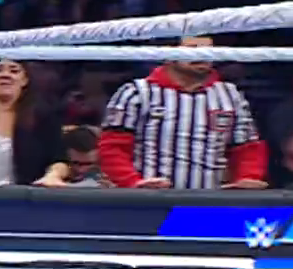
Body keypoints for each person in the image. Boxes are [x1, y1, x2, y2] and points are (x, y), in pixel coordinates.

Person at [100, 35, 268, 189]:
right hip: (149, 198)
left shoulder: (230, 94)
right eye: (193, 49)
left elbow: (247, 147)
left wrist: (247, 178)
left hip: (209, 199)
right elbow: (113, 146)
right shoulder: (137, 92)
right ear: (169, 53)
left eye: (209, 49)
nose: (202, 55)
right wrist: (132, 182)